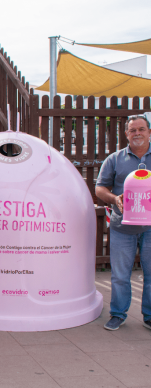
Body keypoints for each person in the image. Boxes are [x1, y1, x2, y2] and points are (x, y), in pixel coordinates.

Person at [96, 114, 151, 331]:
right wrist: (114, 198)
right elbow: (100, 188)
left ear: (149, 132)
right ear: (126, 134)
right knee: (120, 275)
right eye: (132, 130)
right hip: (122, 227)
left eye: (141, 129)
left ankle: (149, 315)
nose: (137, 133)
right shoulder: (115, 159)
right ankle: (118, 314)